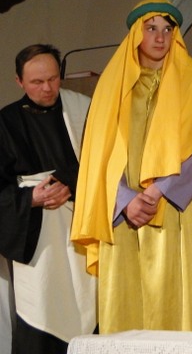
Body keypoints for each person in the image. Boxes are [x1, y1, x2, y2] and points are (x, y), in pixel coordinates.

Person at [71, 0, 192, 333]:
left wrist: (157, 192)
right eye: (151, 28)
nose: (160, 37)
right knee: (127, 299)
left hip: (176, 211)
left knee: (176, 296)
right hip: (124, 213)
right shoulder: (112, 86)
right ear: (137, 33)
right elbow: (97, 153)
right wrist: (126, 200)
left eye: (167, 29)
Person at [0, 44, 96, 354]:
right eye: (37, 82)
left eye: (53, 79)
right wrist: (30, 197)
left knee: (87, 305)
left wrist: (69, 183)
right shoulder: (6, 123)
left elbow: (104, 164)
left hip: (81, 228)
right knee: (40, 308)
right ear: (19, 81)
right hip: (36, 237)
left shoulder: (83, 110)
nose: (47, 88)